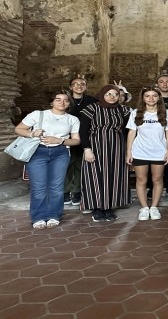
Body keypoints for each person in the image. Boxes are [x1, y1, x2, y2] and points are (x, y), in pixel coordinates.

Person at [15, 91, 81, 229]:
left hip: (60, 153)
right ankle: (38, 217)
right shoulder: (38, 114)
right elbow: (19, 129)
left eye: (66, 100)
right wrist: (32, 133)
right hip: (38, 152)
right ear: (51, 102)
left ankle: (54, 215)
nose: (62, 102)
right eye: (58, 99)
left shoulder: (72, 119)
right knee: (39, 186)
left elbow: (76, 140)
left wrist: (60, 140)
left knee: (56, 186)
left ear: (69, 104)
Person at [79, 84, 132, 223]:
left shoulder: (124, 110)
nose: (112, 97)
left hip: (117, 148)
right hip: (95, 146)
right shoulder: (92, 108)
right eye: (109, 94)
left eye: (115, 94)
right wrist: (87, 149)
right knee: (95, 176)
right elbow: (83, 130)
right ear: (102, 95)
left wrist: (128, 149)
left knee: (114, 176)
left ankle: (109, 207)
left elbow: (128, 131)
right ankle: (97, 208)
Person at [126, 87, 168, 221]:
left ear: (159, 98)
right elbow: (132, 132)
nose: (151, 99)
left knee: (157, 179)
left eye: (154, 96)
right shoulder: (136, 113)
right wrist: (128, 152)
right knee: (141, 180)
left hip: (159, 151)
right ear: (143, 98)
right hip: (140, 151)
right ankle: (144, 208)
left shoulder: (166, 113)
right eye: (147, 96)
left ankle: (154, 207)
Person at [64, 77, 97, 207]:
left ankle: (77, 192)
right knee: (66, 166)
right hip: (67, 137)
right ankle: (65, 192)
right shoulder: (66, 100)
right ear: (70, 87)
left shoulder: (92, 101)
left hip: (85, 137)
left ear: (86, 87)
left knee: (80, 166)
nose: (79, 86)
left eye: (82, 84)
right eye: (75, 84)